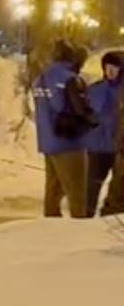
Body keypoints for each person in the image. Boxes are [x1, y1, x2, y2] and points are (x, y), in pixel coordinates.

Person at [32, 40, 95, 218]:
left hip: (48, 141)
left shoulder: (40, 78)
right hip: (70, 143)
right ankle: (79, 235)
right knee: (78, 196)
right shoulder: (69, 79)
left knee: (52, 193)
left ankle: (52, 231)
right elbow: (81, 110)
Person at [85, 52, 123, 214]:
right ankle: (84, 217)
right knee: (91, 186)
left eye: (115, 67)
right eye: (108, 67)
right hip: (97, 146)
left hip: (119, 148)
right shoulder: (95, 89)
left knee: (119, 189)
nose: (111, 71)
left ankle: (111, 215)